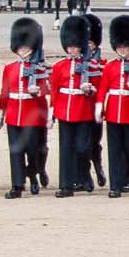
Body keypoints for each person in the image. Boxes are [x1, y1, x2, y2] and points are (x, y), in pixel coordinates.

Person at [96, 15, 129, 198]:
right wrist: (99, 108)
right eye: (120, 47)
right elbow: (103, 89)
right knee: (115, 150)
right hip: (113, 113)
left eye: (126, 47)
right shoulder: (110, 67)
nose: (123, 50)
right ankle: (115, 185)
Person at [0, 18, 50, 198]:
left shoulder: (41, 67)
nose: (23, 51)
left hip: (34, 114)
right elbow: (5, 91)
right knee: (16, 150)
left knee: (34, 149)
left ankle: (34, 174)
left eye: (26, 48)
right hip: (13, 113)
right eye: (20, 48)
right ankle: (17, 186)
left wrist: (38, 91)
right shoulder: (9, 68)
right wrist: (0, 112)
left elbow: (49, 88)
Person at [47, 15, 98, 197]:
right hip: (64, 110)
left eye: (75, 47)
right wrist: (51, 113)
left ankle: (84, 176)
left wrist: (89, 90)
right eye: (69, 47)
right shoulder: (59, 66)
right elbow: (54, 91)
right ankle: (66, 185)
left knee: (83, 148)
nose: (72, 50)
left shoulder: (92, 65)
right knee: (66, 149)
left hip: (83, 111)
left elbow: (98, 90)